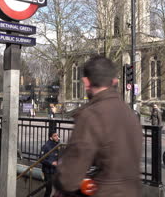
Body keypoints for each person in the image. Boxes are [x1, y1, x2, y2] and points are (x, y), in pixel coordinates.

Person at [54, 55, 143, 197]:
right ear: (114, 81)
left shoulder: (92, 115)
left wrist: (60, 179)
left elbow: (69, 178)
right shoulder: (130, 114)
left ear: (86, 82)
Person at [41, 131, 60, 197]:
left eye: (57, 135)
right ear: (50, 138)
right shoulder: (46, 146)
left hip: (55, 171)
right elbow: (41, 159)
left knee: (58, 190)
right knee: (49, 190)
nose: (57, 137)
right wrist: (51, 163)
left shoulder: (58, 145)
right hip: (47, 171)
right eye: (55, 136)